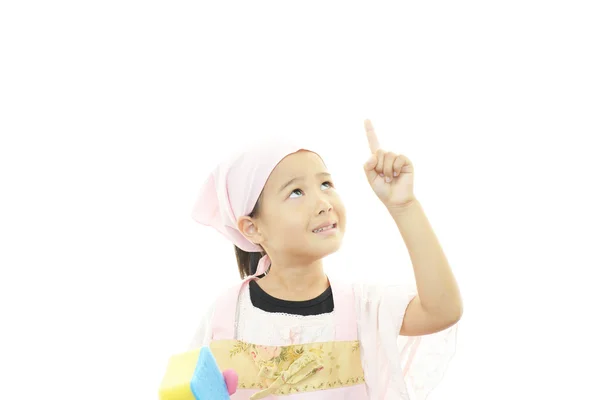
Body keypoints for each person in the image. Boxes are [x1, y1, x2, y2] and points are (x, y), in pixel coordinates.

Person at [187, 120, 462, 399]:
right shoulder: (227, 313)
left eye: (326, 183)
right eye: (296, 192)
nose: (324, 202)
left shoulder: (362, 307)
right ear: (252, 228)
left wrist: (404, 207)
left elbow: (442, 310)